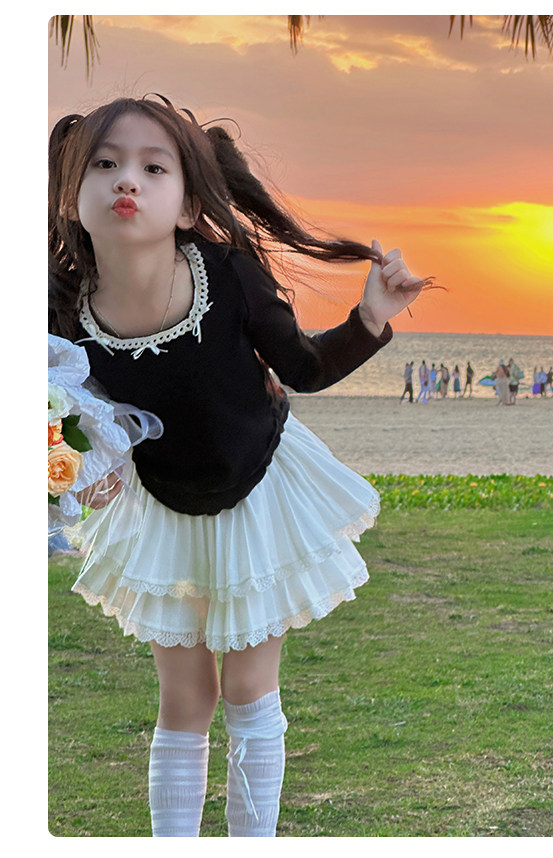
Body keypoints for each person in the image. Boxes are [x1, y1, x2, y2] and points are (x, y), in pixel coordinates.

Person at [48, 94, 428, 838]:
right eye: (105, 164)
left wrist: (371, 317)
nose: (127, 180)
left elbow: (305, 368)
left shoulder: (228, 274)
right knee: (184, 699)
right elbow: (60, 408)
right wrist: (75, 464)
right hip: (161, 503)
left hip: (259, 489)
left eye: (153, 168)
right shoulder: (58, 304)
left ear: (189, 205)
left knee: (249, 690)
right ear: (71, 193)